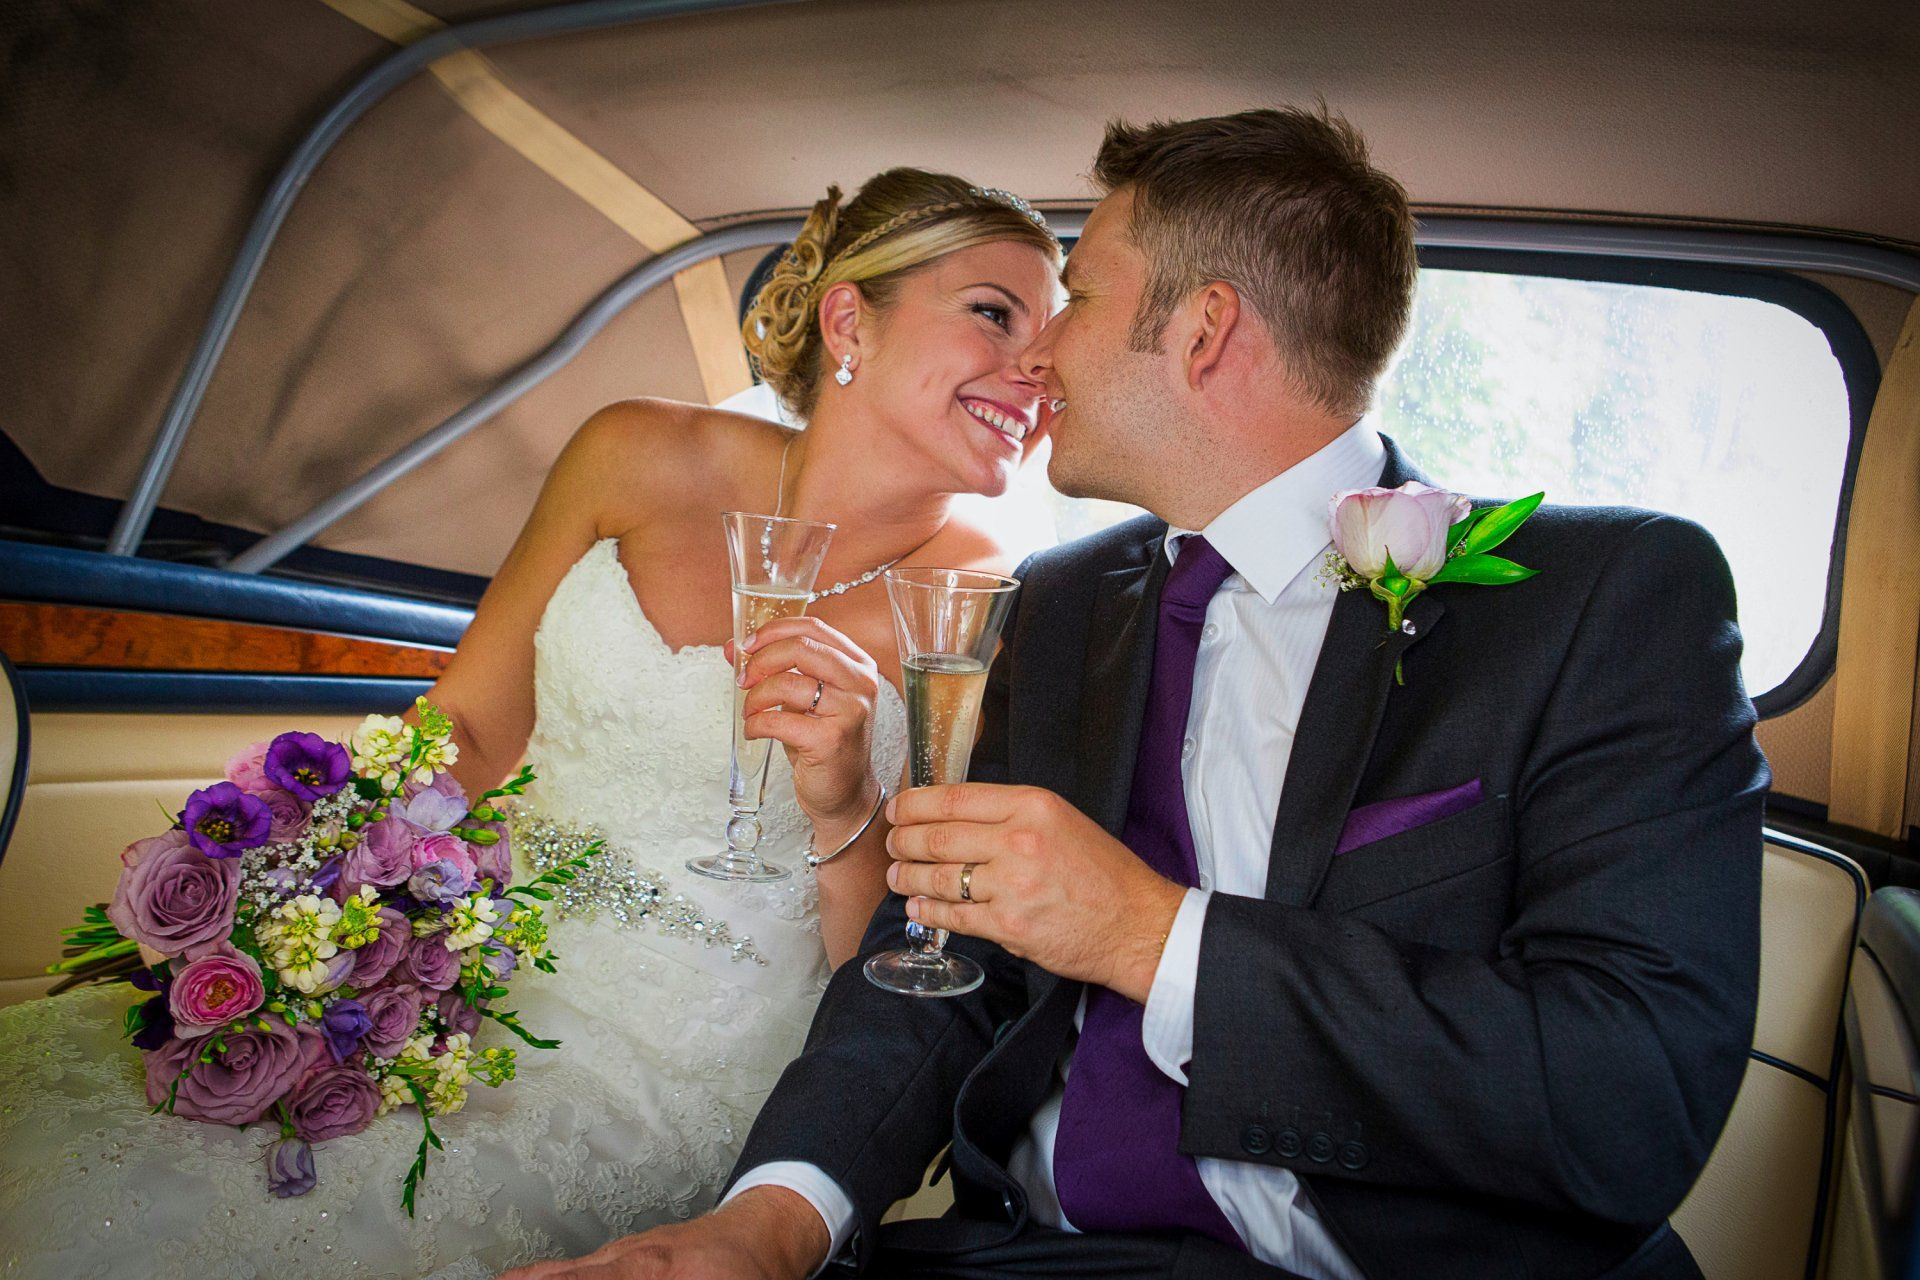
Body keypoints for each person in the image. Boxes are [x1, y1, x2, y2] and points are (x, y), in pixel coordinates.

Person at [511, 108, 1765, 1280]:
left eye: (1083, 299)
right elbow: (941, 963)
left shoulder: (1605, 596)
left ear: (1204, 329)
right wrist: (764, 1224)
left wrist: (1147, 934)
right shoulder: (1059, 603)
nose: (1041, 352)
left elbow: (1631, 1093)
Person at [0, 170, 1062, 1278]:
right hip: (467, 972)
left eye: (1054, 335)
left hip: (691, 1066)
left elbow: (903, 981)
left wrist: (844, 803)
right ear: (851, 318)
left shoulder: (986, 610)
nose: (1037, 364)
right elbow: (462, 727)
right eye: (996, 312)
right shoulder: (634, 453)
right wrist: (310, 892)